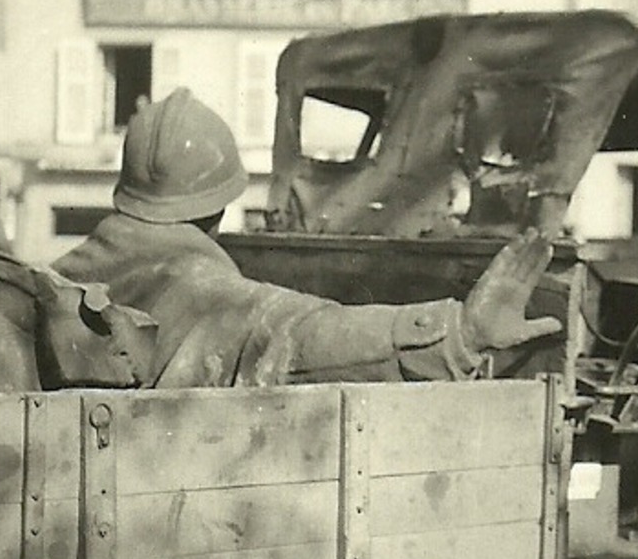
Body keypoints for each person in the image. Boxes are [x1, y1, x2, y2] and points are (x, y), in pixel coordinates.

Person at [54, 88, 561, 388]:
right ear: (220, 206)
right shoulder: (209, 291)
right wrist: (460, 332)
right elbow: (306, 334)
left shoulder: (63, 273)